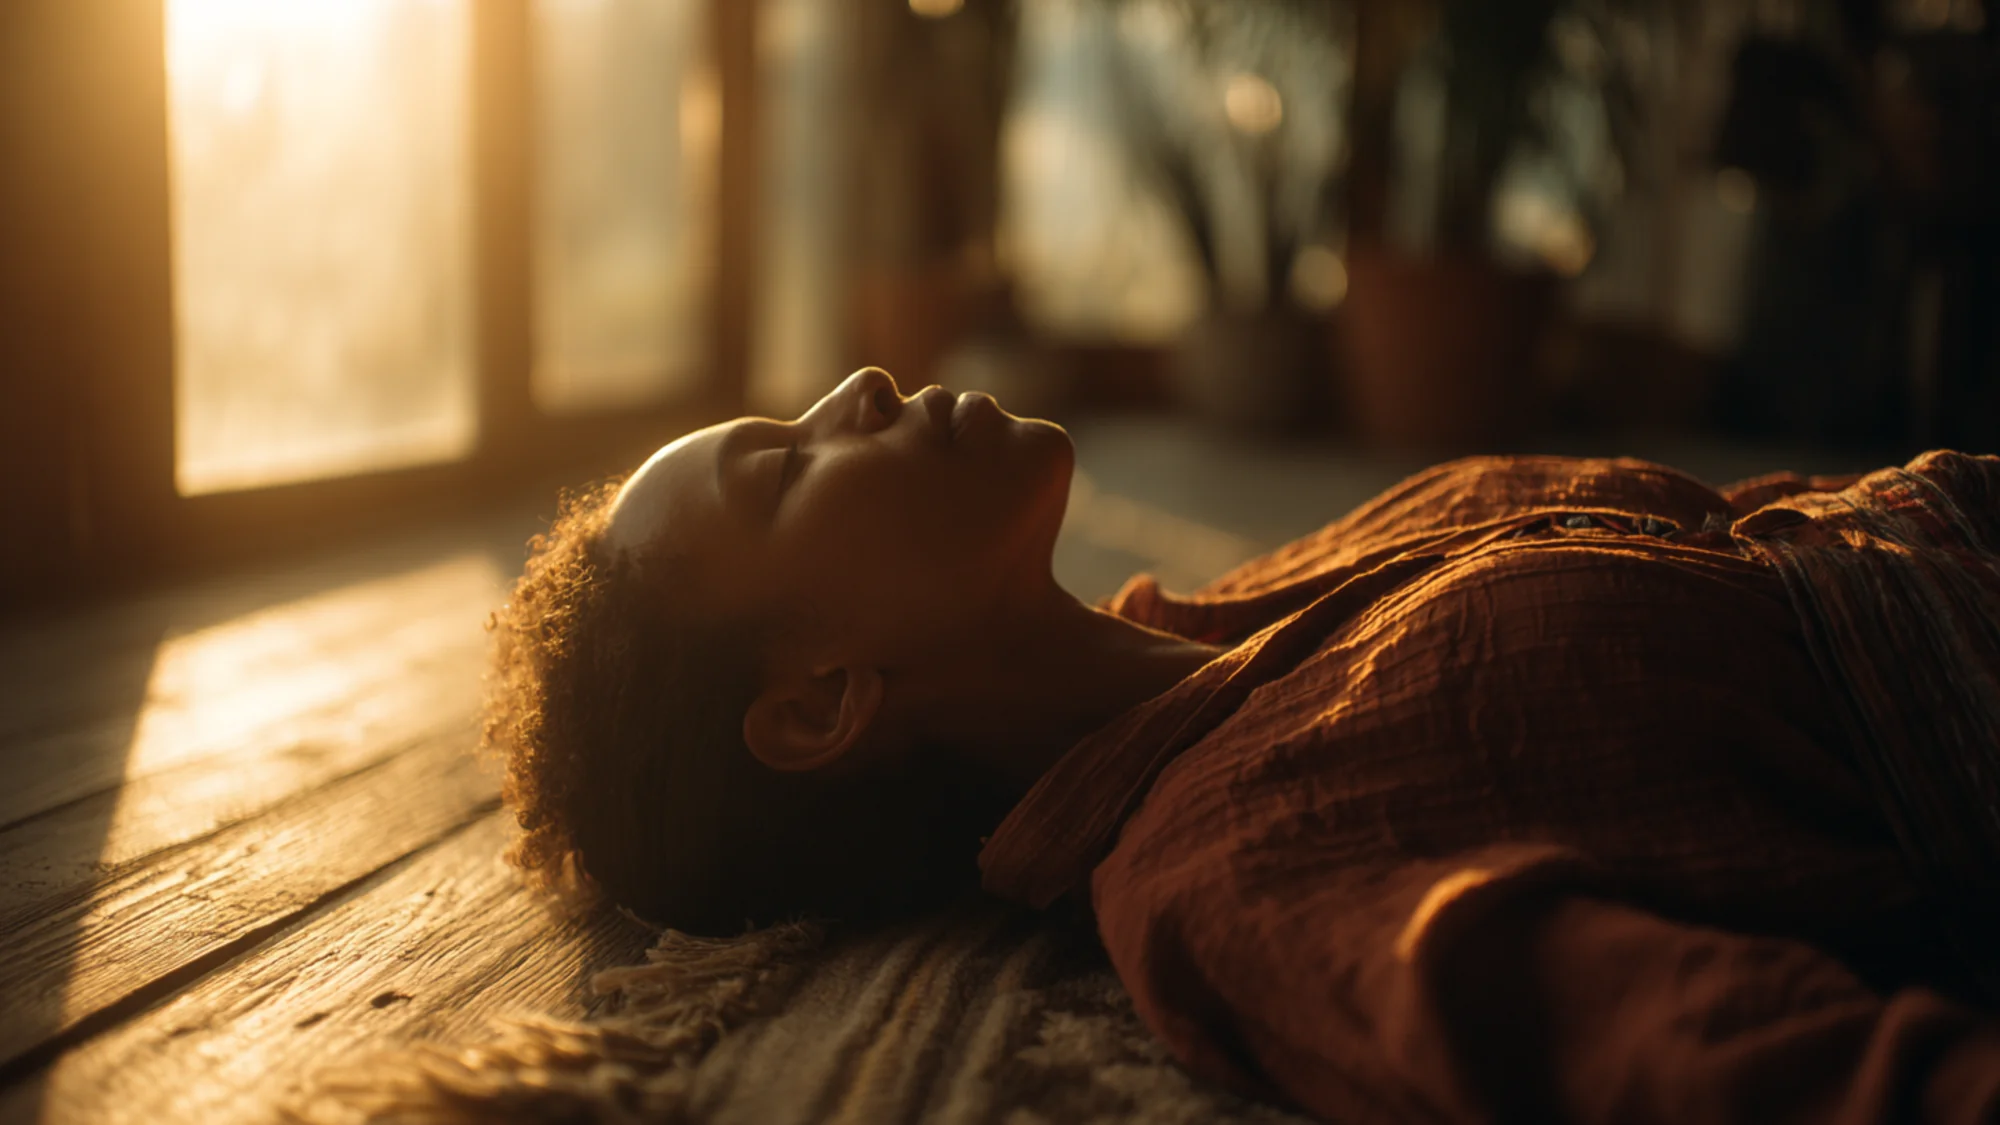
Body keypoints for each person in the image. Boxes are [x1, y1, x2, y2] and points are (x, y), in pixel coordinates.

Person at [486, 366, 2000, 1123]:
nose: (856, 390)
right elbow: (1704, 1058)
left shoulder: (1262, 603)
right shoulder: (1238, 865)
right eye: (785, 466)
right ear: (819, 705)